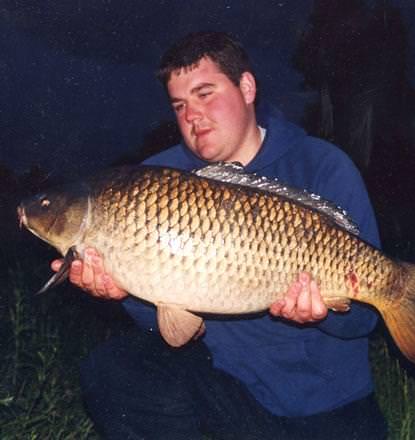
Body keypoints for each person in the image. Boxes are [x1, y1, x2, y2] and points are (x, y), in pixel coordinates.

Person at [52, 31, 387, 439]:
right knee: (115, 371)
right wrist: (122, 292)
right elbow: (172, 324)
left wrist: (327, 313)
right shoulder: (156, 180)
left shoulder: (322, 165)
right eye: (180, 105)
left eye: (205, 94)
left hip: (320, 403)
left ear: (246, 87)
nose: (192, 115)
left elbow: (363, 322)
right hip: (226, 392)